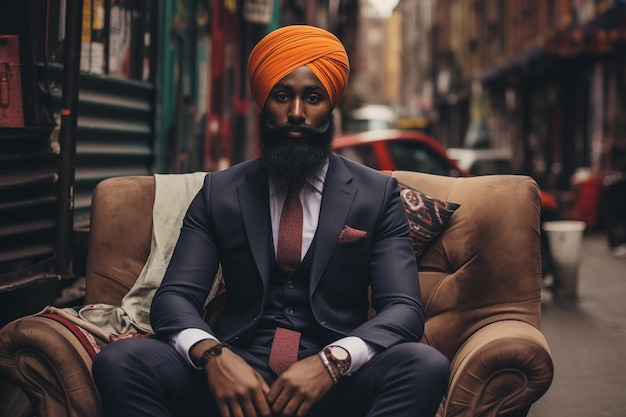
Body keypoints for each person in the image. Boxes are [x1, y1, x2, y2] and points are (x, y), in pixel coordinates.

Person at [92, 24, 449, 417]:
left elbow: (403, 308)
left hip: (334, 381)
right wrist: (212, 356)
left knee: (424, 365)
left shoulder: (377, 194)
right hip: (236, 375)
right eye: (282, 96)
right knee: (121, 361)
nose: (296, 113)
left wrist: (335, 361)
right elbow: (174, 298)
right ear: (264, 102)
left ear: (330, 106)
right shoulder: (220, 192)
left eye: (312, 98)